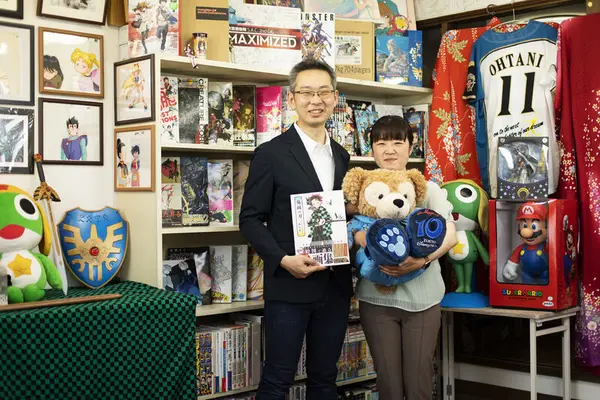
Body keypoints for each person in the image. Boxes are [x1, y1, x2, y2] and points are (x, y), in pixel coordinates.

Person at [239, 59, 351, 400]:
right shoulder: (270, 154)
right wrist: (283, 259)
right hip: (290, 285)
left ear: (335, 98)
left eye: (323, 92)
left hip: (334, 286)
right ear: (292, 100)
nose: (315, 100)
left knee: (325, 378)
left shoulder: (342, 156)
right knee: (277, 379)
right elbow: (249, 218)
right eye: (306, 92)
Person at [351, 115, 458, 400]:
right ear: (371, 149)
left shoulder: (427, 189)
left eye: (398, 142)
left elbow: (450, 235)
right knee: (387, 382)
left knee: (419, 380)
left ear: (411, 147)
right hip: (376, 301)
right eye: (381, 142)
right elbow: (351, 231)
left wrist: (422, 260)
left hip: (422, 302)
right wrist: (361, 239)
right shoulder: (363, 190)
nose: (389, 150)